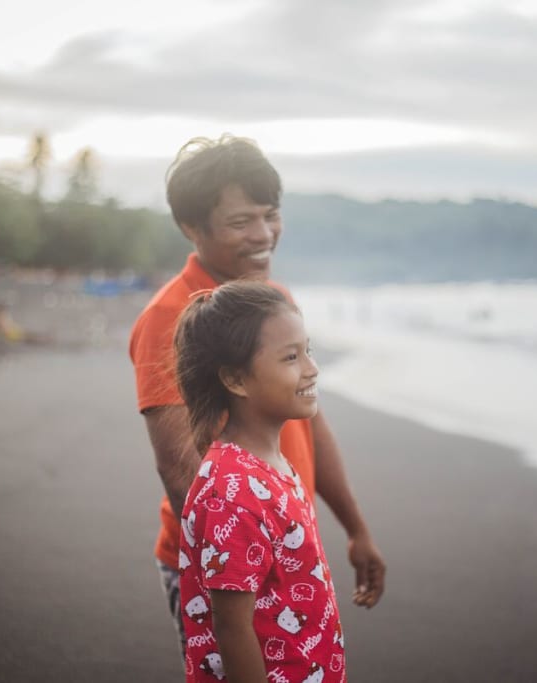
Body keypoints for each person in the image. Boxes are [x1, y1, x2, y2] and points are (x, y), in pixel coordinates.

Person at [128, 135, 384, 653]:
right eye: (241, 221)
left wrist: (354, 527)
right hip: (232, 570)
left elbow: (310, 423)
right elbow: (181, 469)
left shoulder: (270, 301)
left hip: (286, 552)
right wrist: (256, 579)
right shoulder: (167, 318)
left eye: (271, 215)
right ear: (191, 228)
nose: (264, 234)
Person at [174, 281, 346, 681]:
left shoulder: (268, 461)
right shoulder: (231, 492)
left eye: (309, 350)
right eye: (291, 357)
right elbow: (232, 629)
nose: (312, 368)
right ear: (235, 380)